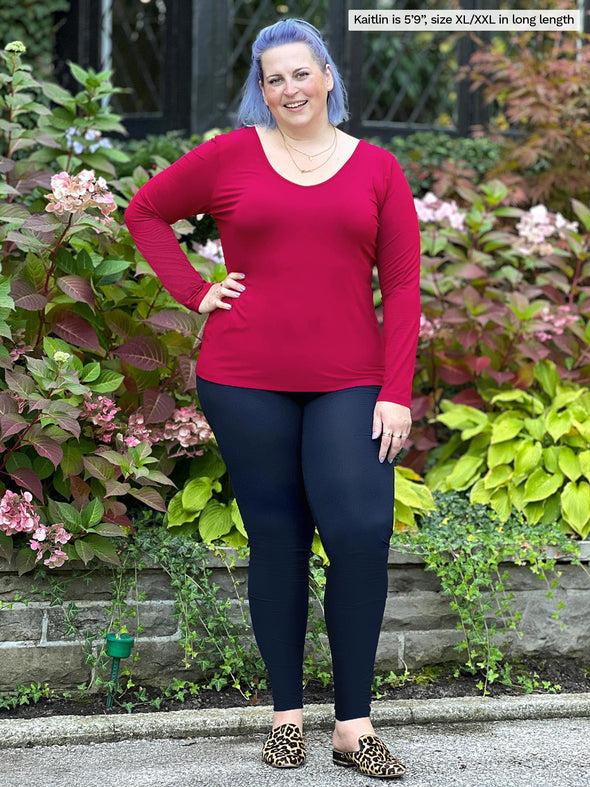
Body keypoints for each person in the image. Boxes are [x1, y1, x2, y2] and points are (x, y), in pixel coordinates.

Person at [125, 18, 420, 780]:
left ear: (328, 78)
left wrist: (397, 392)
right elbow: (146, 211)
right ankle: (287, 716)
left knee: (358, 531)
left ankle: (354, 725)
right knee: (279, 539)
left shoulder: (378, 168)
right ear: (262, 88)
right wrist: (196, 290)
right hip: (244, 376)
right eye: (272, 78)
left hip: (350, 380)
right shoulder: (230, 156)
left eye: (301, 73)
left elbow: (405, 286)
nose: (289, 88)